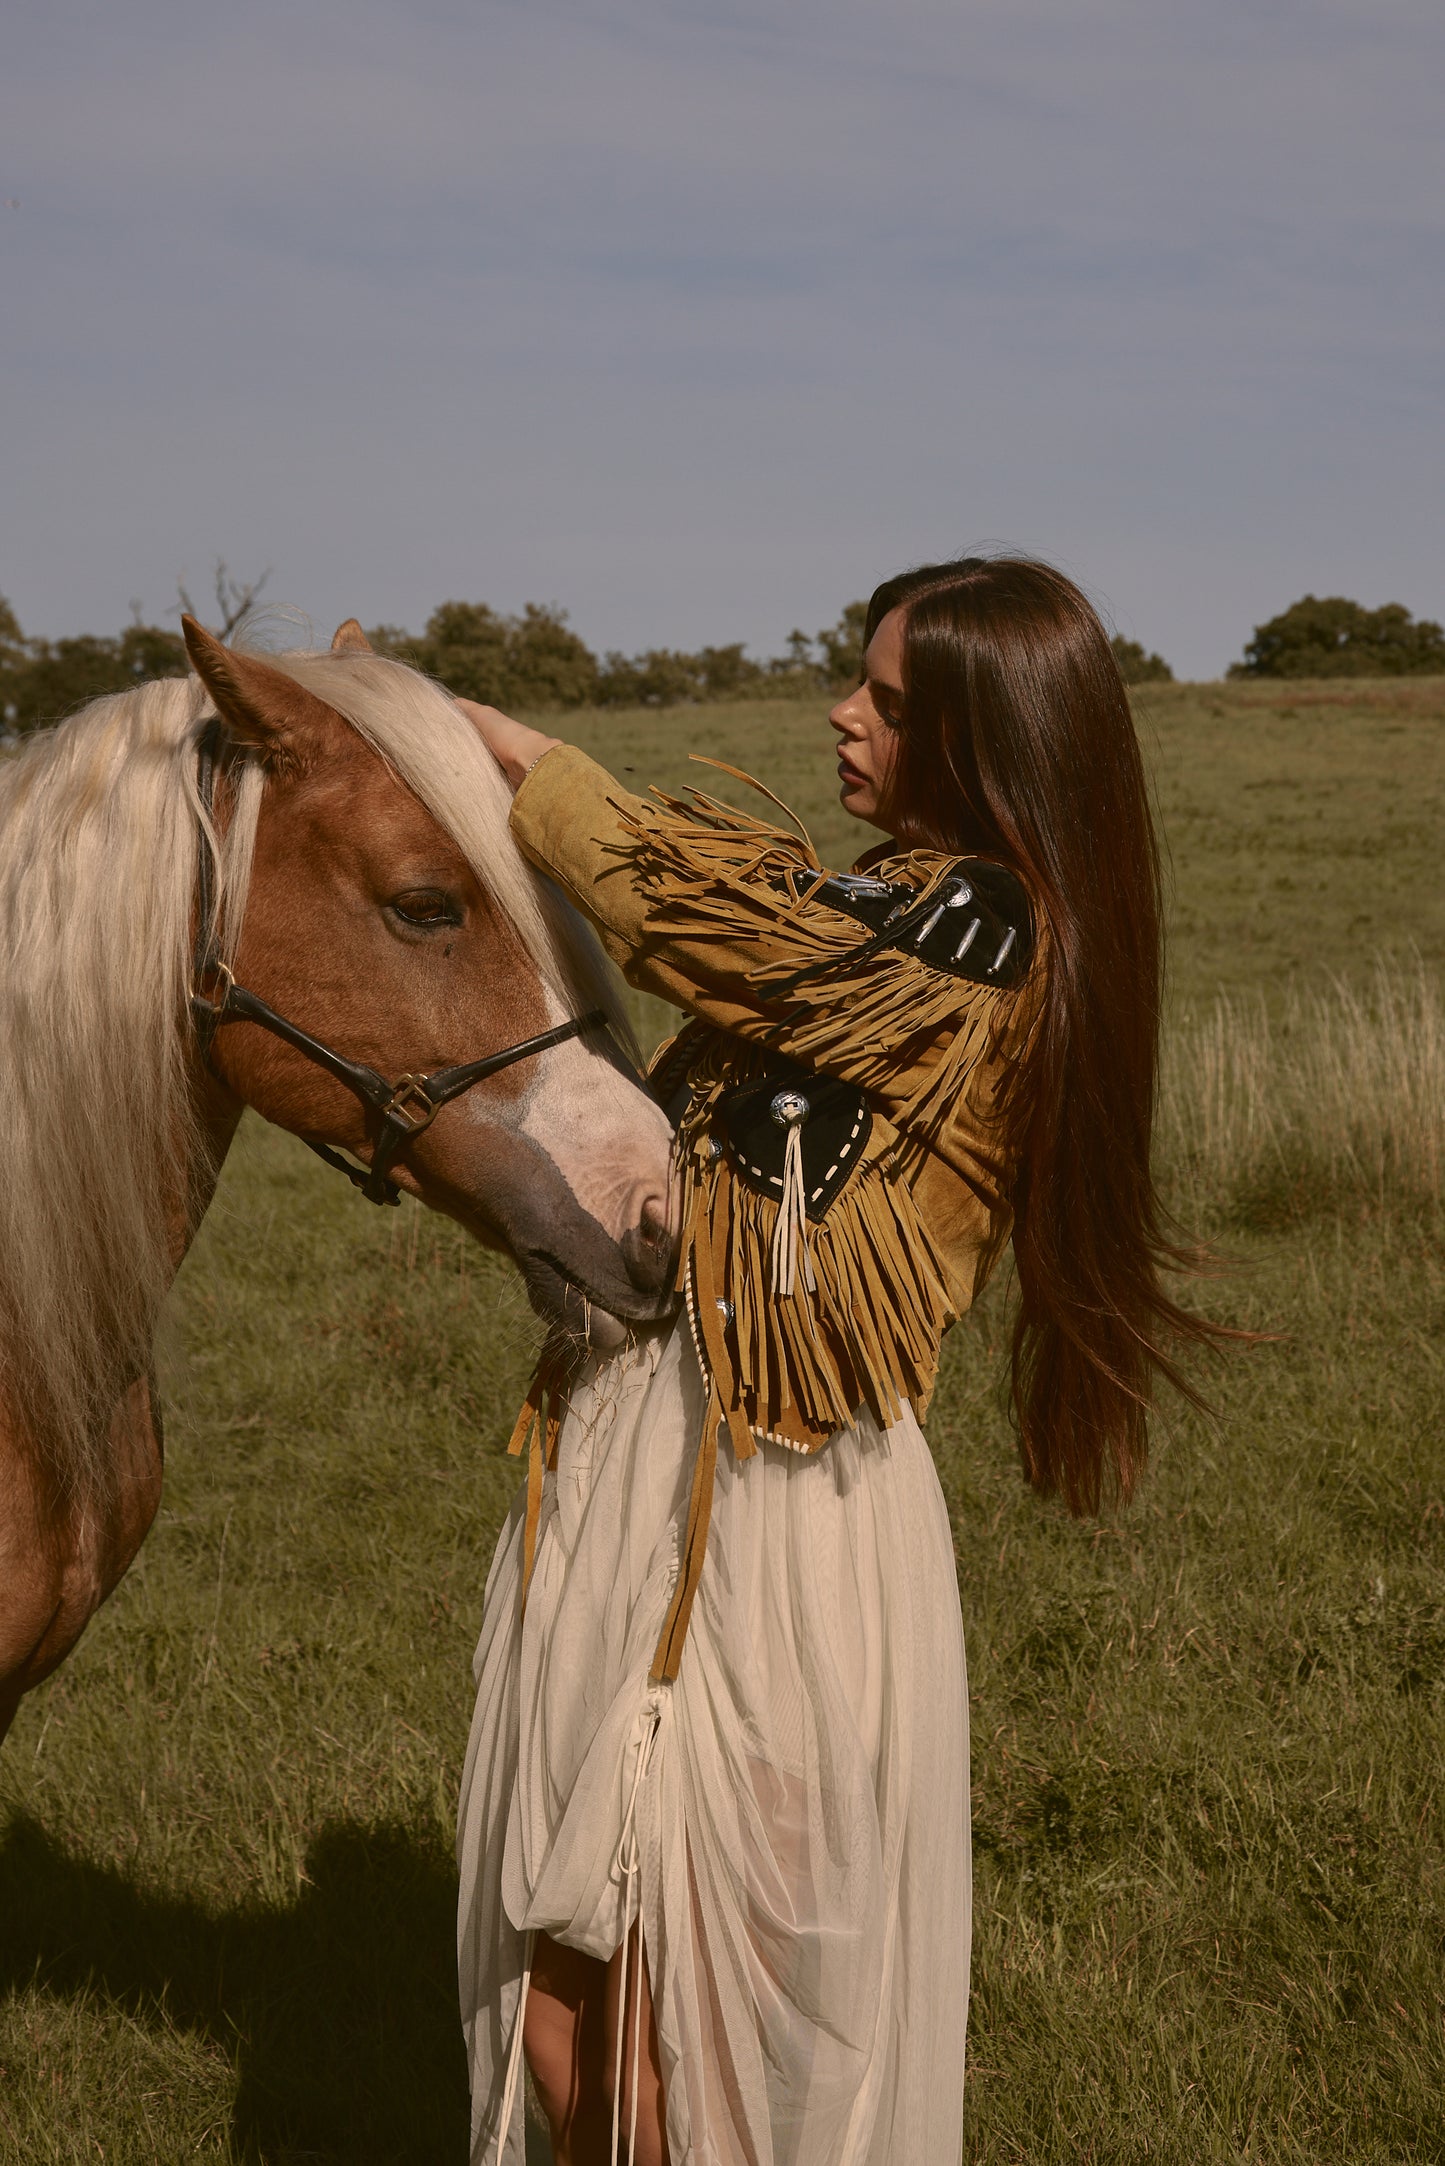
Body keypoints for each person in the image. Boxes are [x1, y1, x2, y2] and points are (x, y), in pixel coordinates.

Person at [456, 556, 1216, 2165]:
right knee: (556, 2004)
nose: (840, 714)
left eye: (885, 698)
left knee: (689, 2036)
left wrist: (527, 765)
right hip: (633, 1475)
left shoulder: (984, 933)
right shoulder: (895, 895)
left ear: (983, 735)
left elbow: (729, 928)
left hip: (781, 1514)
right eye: (854, 684)